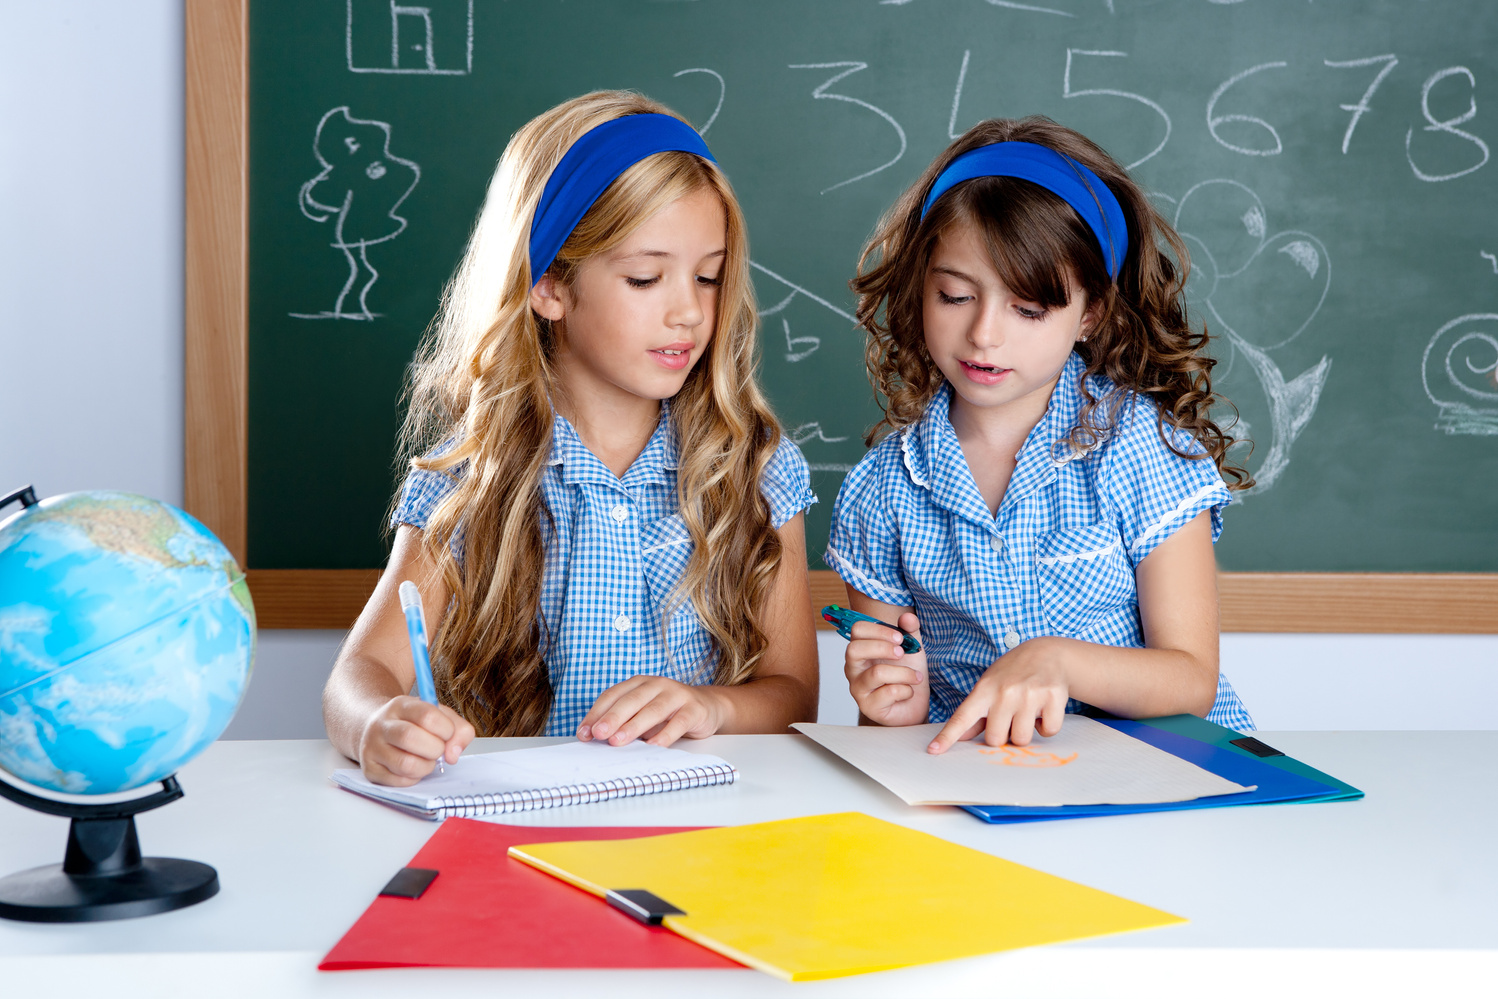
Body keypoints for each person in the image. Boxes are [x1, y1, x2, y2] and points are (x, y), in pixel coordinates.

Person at [323, 92, 818, 786]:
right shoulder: (470, 476)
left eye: (708, 276)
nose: (689, 311)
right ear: (550, 284)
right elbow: (358, 675)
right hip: (519, 837)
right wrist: (379, 721)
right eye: (646, 277)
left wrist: (712, 707)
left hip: (706, 833)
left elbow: (794, 693)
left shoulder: (755, 470)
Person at [826, 116, 1256, 755]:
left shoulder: (1142, 447)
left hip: (1162, 771)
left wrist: (1058, 661)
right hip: (985, 783)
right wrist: (893, 706)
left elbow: (1191, 677)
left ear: (1091, 314)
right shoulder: (883, 488)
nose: (984, 335)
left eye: (1028, 309)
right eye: (953, 295)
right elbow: (890, 728)